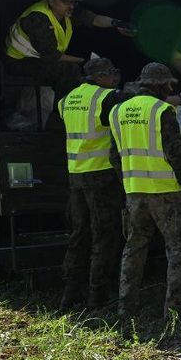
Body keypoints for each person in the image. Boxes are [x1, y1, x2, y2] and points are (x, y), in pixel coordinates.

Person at [109, 62, 181, 321]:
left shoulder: (118, 111)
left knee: (134, 247)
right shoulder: (162, 111)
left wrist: (129, 182)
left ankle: (125, 308)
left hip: (134, 192)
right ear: (159, 86)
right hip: (165, 190)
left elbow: (114, 156)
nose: (170, 88)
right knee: (178, 248)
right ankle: (175, 312)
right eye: (168, 84)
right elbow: (174, 155)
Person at [57, 57, 126, 311]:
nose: (114, 79)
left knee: (79, 234)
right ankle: (99, 296)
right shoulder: (105, 98)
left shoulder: (67, 100)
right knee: (104, 235)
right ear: (98, 77)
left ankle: (71, 293)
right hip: (101, 176)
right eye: (110, 74)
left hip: (76, 175)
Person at [5, 0, 132, 98]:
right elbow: (51, 56)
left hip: (40, 58)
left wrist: (116, 23)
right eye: (66, 2)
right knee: (69, 70)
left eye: (73, 2)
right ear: (51, 1)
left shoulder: (66, 13)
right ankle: (65, 107)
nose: (71, 6)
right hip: (19, 62)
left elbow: (93, 19)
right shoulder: (38, 18)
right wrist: (84, 61)